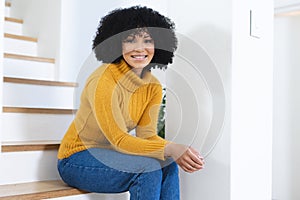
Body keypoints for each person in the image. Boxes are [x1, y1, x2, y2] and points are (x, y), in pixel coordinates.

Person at [57, 6, 204, 200]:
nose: (139, 48)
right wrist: (170, 148)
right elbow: (118, 140)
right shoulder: (103, 80)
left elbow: (147, 136)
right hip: (76, 158)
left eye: (148, 40)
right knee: (148, 168)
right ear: (118, 44)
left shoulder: (152, 86)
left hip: (112, 155)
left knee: (167, 164)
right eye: (130, 40)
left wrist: (175, 148)